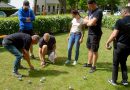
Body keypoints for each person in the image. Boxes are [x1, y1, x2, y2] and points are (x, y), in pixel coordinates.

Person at [106, 7, 130, 86]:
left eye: (121, 12)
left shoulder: (120, 21)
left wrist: (107, 42)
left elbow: (114, 34)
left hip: (120, 46)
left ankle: (113, 80)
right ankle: (125, 80)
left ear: (125, 12)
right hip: (128, 46)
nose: (121, 14)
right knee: (123, 62)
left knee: (115, 63)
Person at [83, 0, 103, 73]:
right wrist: (89, 22)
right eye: (88, 5)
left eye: (90, 5)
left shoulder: (98, 12)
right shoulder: (90, 11)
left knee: (94, 50)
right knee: (89, 48)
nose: (88, 7)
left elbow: (90, 23)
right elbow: (84, 20)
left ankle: (93, 66)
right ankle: (89, 63)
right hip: (90, 33)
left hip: (95, 34)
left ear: (94, 4)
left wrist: (89, 22)